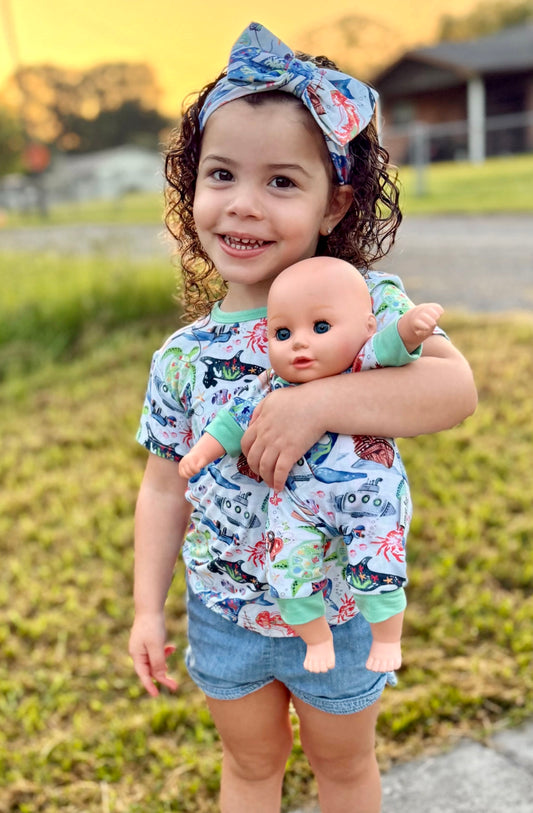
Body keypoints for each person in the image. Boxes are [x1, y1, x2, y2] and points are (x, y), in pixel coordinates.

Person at [129, 21, 477, 813]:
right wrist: (148, 608)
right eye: (221, 174)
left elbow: (452, 391)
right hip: (227, 609)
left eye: (282, 182)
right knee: (249, 769)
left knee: (344, 770)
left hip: (345, 604)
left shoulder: (363, 307)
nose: (243, 204)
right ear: (192, 190)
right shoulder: (182, 356)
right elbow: (160, 490)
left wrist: (314, 402)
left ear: (335, 203)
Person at [178, 256, 443, 675]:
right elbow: (230, 422)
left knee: (377, 562)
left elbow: (395, 346)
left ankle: (388, 637)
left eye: (320, 328)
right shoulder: (269, 387)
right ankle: (316, 639)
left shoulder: (364, 363)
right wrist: (200, 453)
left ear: (365, 328)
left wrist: (413, 328)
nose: (300, 343)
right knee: (288, 570)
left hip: (368, 500)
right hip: (294, 505)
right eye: (283, 333)